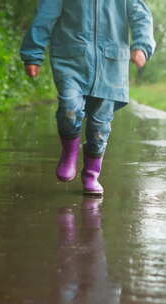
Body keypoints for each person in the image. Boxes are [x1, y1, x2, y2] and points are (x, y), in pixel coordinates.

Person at [20, 0, 155, 195]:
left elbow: (141, 16)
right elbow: (44, 16)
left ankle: (91, 174)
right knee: (69, 107)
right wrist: (33, 54)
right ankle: (69, 152)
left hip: (111, 64)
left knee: (100, 126)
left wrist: (142, 46)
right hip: (71, 59)